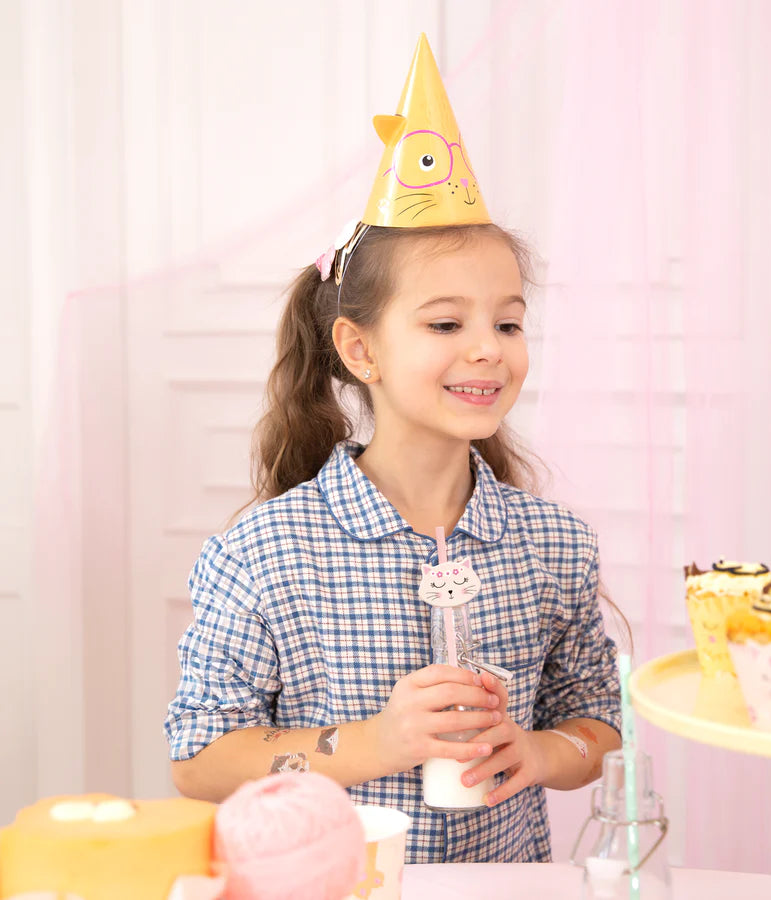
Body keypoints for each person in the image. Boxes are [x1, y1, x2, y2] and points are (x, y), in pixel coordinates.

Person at [164, 35, 621, 864]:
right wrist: (373, 743)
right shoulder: (267, 552)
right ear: (360, 349)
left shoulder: (556, 545)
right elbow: (198, 760)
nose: (489, 349)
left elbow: (596, 721)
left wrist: (540, 752)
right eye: (447, 324)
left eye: (508, 323)